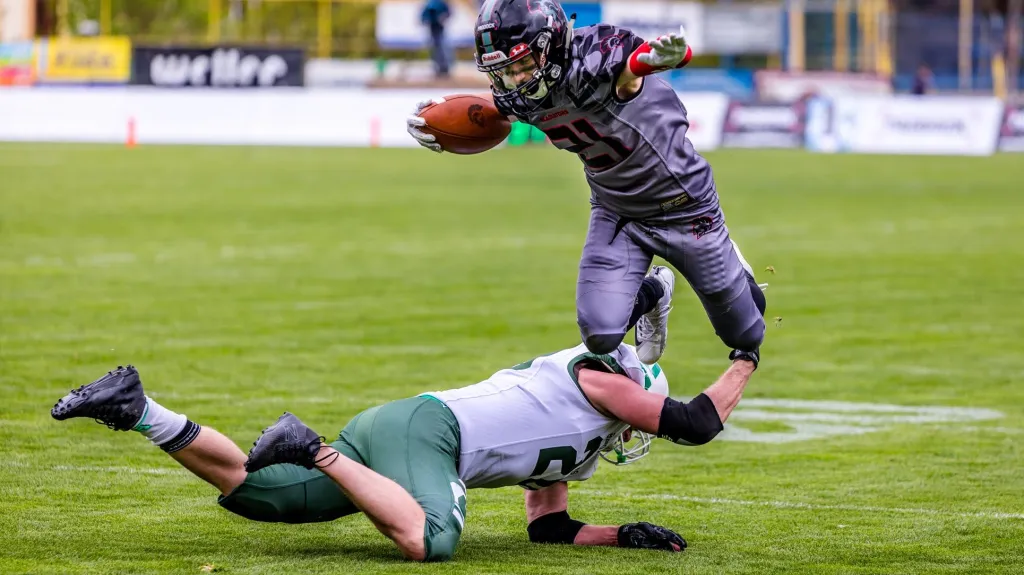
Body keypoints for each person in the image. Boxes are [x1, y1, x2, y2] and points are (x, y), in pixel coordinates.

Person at [51, 334, 758, 562]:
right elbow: (695, 421)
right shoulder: (603, 379)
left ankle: (137, 407)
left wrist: (621, 534)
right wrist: (743, 355)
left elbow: (547, 524)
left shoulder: (589, 437)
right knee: (433, 540)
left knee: (263, 495)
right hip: (431, 432)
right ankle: (314, 446)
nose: (643, 427)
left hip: (400, 427)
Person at [407, 0, 768, 367]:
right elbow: (496, 110)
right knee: (600, 334)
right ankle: (656, 290)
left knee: (747, 333)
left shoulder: (594, 58)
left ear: (553, 44)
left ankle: (734, 265)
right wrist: (438, 115)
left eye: (524, 65)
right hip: (617, 212)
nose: (516, 79)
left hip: (684, 205)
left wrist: (657, 57)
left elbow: (630, 70)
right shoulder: (523, 89)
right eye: (504, 70)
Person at [422, 0, 452, 79]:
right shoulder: (430, 3)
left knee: (442, 48)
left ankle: (444, 69)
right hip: (433, 28)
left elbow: (448, 13)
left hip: (439, 29)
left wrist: (443, 17)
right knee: (435, 49)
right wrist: (425, 20)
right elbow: (424, 15)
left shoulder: (440, 3)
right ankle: (438, 69)